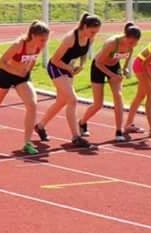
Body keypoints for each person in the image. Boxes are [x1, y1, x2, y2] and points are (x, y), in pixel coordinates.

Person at [0, 20, 50, 155]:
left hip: (22, 78)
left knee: (32, 104)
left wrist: (27, 71)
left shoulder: (39, 46)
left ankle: (27, 143)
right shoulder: (18, 45)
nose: (44, 43)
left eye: (46, 40)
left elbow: (33, 59)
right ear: (33, 35)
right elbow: (1, 62)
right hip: (6, 75)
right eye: (42, 40)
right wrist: (16, 72)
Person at [33, 13, 102, 149]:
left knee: (61, 101)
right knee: (72, 100)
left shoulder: (90, 37)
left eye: (96, 32)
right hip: (56, 67)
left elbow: (84, 52)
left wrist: (81, 65)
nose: (94, 34)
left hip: (67, 69)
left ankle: (40, 126)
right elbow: (54, 60)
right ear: (84, 26)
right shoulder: (70, 38)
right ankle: (76, 137)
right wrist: (69, 68)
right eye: (92, 31)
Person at [78, 22, 142, 142]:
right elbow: (98, 63)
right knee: (98, 104)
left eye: (135, 43)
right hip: (99, 67)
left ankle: (118, 130)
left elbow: (127, 56)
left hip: (114, 66)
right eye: (130, 42)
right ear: (125, 36)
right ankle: (82, 122)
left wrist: (125, 69)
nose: (132, 45)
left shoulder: (131, 46)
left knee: (118, 95)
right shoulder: (112, 43)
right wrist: (112, 75)